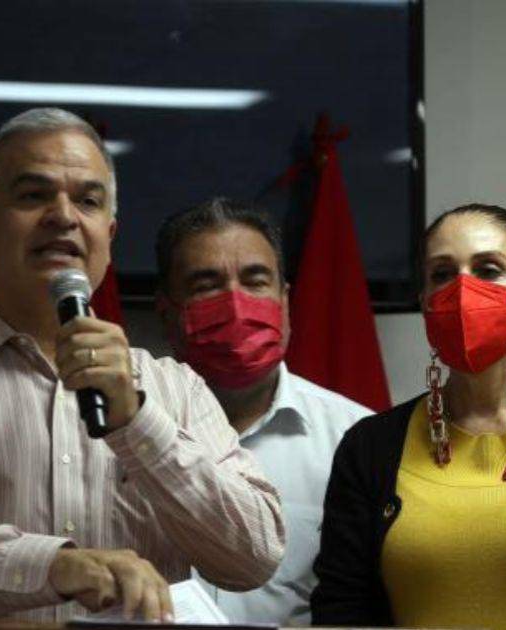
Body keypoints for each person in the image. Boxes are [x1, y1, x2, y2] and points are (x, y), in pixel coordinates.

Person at [0, 108, 285, 623]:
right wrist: (53, 566)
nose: (64, 216)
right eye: (33, 195)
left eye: (87, 201)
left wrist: (137, 422)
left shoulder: (175, 387)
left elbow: (253, 557)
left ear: (109, 234)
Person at [311, 204, 506, 629]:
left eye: (488, 270)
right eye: (442, 274)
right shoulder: (368, 447)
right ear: (425, 304)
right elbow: (340, 609)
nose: (462, 290)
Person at [154, 197, 371, 626]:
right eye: (206, 285)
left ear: (285, 301)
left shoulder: (356, 440)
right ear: (166, 312)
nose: (236, 304)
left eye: (255, 281)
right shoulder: (121, 433)